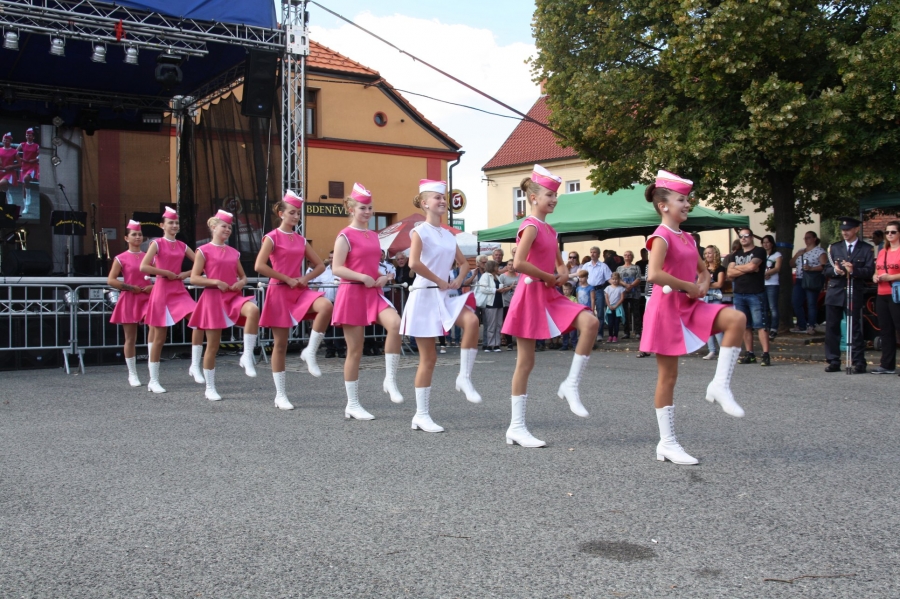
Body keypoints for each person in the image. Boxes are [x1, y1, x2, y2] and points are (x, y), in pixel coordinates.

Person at [640, 170, 746, 465]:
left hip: (688, 304)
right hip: (665, 308)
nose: (688, 204)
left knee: (736, 319)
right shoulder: (660, 236)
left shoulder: (686, 237)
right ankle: (667, 443)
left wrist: (703, 283)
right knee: (668, 377)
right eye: (681, 200)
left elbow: (703, 270)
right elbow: (654, 274)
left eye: (688, 200)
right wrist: (689, 286)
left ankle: (720, 385)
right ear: (664, 206)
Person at [502, 164, 599, 448]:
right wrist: (547, 276)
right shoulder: (531, 226)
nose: (554, 199)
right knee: (525, 362)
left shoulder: (550, 229)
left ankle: (571, 384)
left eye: (556, 195)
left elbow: (560, 264)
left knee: (590, 322)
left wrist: (563, 273)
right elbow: (519, 263)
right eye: (549, 194)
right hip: (531, 294)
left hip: (549, 293)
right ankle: (516, 427)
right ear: (533, 198)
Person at [400, 179, 482, 432]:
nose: (443, 201)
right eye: (437, 197)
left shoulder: (447, 234)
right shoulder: (420, 232)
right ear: (425, 203)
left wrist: (458, 279)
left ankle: (464, 378)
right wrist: (439, 279)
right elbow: (413, 263)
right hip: (424, 297)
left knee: (472, 321)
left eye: (443, 198)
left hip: (444, 296)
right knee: (429, 358)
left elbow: (464, 263)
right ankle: (421, 415)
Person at [331, 183, 403, 419]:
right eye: (363, 208)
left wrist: (383, 276)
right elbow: (336, 268)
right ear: (351, 209)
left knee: (396, 324)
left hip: (373, 293)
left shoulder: (373, 236)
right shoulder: (345, 235)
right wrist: (362, 277)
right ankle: (352, 404)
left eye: (370, 208)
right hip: (352, 293)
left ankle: (390, 379)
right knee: (355, 350)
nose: (368, 212)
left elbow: (373, 265)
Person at [256, 191, 333, 409]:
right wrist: (286, 278)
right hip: (279, 292)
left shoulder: (300, 240)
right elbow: (259, 265)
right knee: (280, 345)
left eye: (298, 213)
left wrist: (304, 278)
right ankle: (280, 394)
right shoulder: (272, 237)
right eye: (292, 212)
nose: (296, 216)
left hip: (299, 290)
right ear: (281, 214)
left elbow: (320, 265)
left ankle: (310, 351)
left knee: (326, 306)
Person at [188, 210, 260, 401]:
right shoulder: (203, 250)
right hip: (213, 299)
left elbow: (243, 276)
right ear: (213, 227)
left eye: (229, 227)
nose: (227, 230)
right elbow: (194, 278)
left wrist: (241, 283)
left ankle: (246, 355)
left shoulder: (234, 252)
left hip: (232, 296)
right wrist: (215, 282)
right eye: (224, 226)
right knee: (213, 346)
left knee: (253, 310)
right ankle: (210, 387)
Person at [139, 206, 202, 393]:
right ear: (162, 225)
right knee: (159, 337)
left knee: (199, 320)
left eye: (176, 223)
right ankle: (153, 380)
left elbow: (202, 263)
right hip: (162, 289)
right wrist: (164, 272)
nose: (174, 225)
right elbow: (144, 267)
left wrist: (186, 274)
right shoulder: (156, 243)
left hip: (178, 289)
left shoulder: (182, 245)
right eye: (170, 223)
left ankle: (195, 365)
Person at [823, 217, 875, 373]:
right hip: (835, 291)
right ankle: (833, 360)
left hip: (854, 290)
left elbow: (869, 271)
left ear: (856, 229)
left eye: (848, 230)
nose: (844, 232)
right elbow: (826, 269)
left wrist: (853, 270)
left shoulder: (866, 248)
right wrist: (835, 270)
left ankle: (858, 361)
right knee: (832, 327)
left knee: (854, 327)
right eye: (843, 230)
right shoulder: (834, 248)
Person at [107, 220, 153, 387]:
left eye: (140, 234)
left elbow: (161, 275)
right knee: (130, 338)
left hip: (148, 297)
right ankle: (132, 373)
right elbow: (111, 280)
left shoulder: (149, 256)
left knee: (154, 329)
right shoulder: (121, 258)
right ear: (126, 238)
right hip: (130, 298)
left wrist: (153, 287)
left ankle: (153, 369)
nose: (137, 237)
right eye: (134, 234)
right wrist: (129, 287)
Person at [726, 227, 772, 367]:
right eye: (741, 236)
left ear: (752, 237)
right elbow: (729, 273)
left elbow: (753, 267)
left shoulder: (759, 251)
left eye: (746, 235)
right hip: (739, 293)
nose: (743, 238)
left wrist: (739, 268)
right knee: (745, 326)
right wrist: (747, 268)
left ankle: (765, 354)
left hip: (755, 293)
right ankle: (750, 354)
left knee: (761, 325)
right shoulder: (735, 254)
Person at [872, 221, 900, 374]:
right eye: (887, 232)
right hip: (882, 293)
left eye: (893, 232)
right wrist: (875, 277)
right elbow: (877, 270)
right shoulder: (883, 251)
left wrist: (891, 277)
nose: (889, 234)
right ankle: (887, 364)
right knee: (885, 329)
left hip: (896, 293)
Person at [789, 231, 827, 334]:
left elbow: (824, 265)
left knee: (811, 303)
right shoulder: (801, 251)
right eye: (805, 238)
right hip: (799, 278)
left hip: (811, 279)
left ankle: (811, 325)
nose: (806, 240)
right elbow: (791, 264)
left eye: (808, 238)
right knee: (796, 302)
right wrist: (797, 255)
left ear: (814, 239)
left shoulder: (820, 251)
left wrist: (811, 268)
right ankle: (801, 324)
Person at [308, 250, 344, 358]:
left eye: (333, 257)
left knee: (338, 327)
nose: (332, 260)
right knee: (327, 327)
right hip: (326, 303)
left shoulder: (343, 270)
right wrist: (313, 299)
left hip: (339, 302)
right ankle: (330, 349)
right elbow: (316, 285)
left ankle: (340, 349)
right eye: (330, 257)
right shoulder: (323, 271)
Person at [702, 245, 726, 360]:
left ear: (715, 254)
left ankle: (724, 350)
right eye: (706, 253)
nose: (707, 255)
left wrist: (706, 285)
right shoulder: (703, 268)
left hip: (715, 298)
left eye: (710, 253)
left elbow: (719, 284)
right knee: (707, 326)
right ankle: (711, 350)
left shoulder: (720, 269)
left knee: (716, 325)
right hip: (705, 299)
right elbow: (698, 282)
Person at [583, 245, 611, 340]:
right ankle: (587, 333)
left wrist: (620, 284)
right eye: (591, 252)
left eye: (594, 252)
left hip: (599, 290)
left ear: (598, 254)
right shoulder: (586, 266)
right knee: (587, 311)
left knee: (600, 312)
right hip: (588, 290)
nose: (592, 254)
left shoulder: (603, 266)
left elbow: (609, 278)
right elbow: (580, 277)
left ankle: (599, 334)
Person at [476, 260, 503, 352]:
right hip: (491, 303)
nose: (498, 268)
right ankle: (489, 344)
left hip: (499, 302)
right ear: (492, 267)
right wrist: (496, 290)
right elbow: (483, 289)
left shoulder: (497, 276)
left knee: (498, 324)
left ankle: (497, 344)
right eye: (496, 266)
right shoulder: (485, 276)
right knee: (491, 325)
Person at [617, 251, 643, 339]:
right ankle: (626, 332)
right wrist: (625, 285)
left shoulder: (636, 267)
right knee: (624, 313)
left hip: (635, 293)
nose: (627, 256)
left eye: (629, 255)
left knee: (636, 313)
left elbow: (638, 278)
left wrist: (630, 286)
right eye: (625, 255)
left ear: (632, 257)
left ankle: (637, 332)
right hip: (623, 294)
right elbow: (617, 279)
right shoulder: (619, 268)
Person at [761, 235, 782, 339]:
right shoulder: (761, 254)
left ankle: (774, 328)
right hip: (762, 284)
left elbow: (777, 268)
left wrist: (766, 273)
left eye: (767, 242)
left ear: (772, 244)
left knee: (773, 307)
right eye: (763, 242)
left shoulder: (777, 254)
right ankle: (766, 327)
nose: (765, 244)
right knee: (764, 307)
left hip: (772, 284)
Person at [498, 259, 519, 350]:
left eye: (513, 265)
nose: (511, 266)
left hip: (517, 303)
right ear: (506, 266)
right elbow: (500, 290)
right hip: (506, 302)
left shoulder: (520, 276)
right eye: (509, 265)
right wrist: (510, 287)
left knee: (518, 322)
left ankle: (520, 342)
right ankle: (509, 342)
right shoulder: (502, 276)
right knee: (507, 322)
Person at [18, 128, 39, 214]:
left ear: (33, 137)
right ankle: (25, 207)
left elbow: (40, 155)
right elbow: (15, 152)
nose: (28, 137)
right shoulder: (22, 144)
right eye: (27, 135)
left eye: (30, 135)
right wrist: (20, 159)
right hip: (24, 166)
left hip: (32, 166)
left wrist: (35, 159)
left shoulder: (36, 146)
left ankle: (29, 193)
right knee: (23, 186)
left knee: (26, 178)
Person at [604, 272, 625, 342]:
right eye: (613, 279)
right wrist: (609, 305)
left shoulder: (621, 288)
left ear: (619, 279)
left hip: (618, 307)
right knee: (610, 323)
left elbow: (622, 298)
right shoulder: (608, 288)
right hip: (610, 308)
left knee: (616, 323)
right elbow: (606, 298)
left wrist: (616, 305)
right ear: (611, 279)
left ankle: (615, 336)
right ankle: (610, 335)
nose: (615, 280)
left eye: (616, 279)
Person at [560, 282, 578, 350]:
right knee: (565, 332)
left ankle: (574, 345)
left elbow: (576, 306)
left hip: (572, 318)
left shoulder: (573, 298)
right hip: (564, 318)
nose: (566, 291)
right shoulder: (561, 298)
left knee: (573, 332)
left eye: (567, 289)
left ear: (571, 290)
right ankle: (565, 345)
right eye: (564, 289)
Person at [0, 132, 19, 197]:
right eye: (4, 140)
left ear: (10, 141)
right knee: (2, 189)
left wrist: (12, 166)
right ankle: (7, 196)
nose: (5, 141)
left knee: (1, 184)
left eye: (7, 140)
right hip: (1, 171)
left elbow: (20, 164)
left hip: (9, 172)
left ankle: (7, 195)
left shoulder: (14, 151)